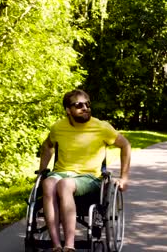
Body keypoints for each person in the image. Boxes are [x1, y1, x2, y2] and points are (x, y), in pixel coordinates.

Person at [38, 89, 131, 252]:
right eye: (79, 105)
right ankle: (56, 245)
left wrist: (124, 177)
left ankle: (69, 245)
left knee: (65, 185)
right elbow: (47, 146)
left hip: (90, 178)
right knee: (47, 184)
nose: (85, 108)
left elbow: (125, 145)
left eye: (87, 104)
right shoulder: (58, 127)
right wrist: (42, 170)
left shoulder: (102, 127)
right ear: (68, 110)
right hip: (61, 172)